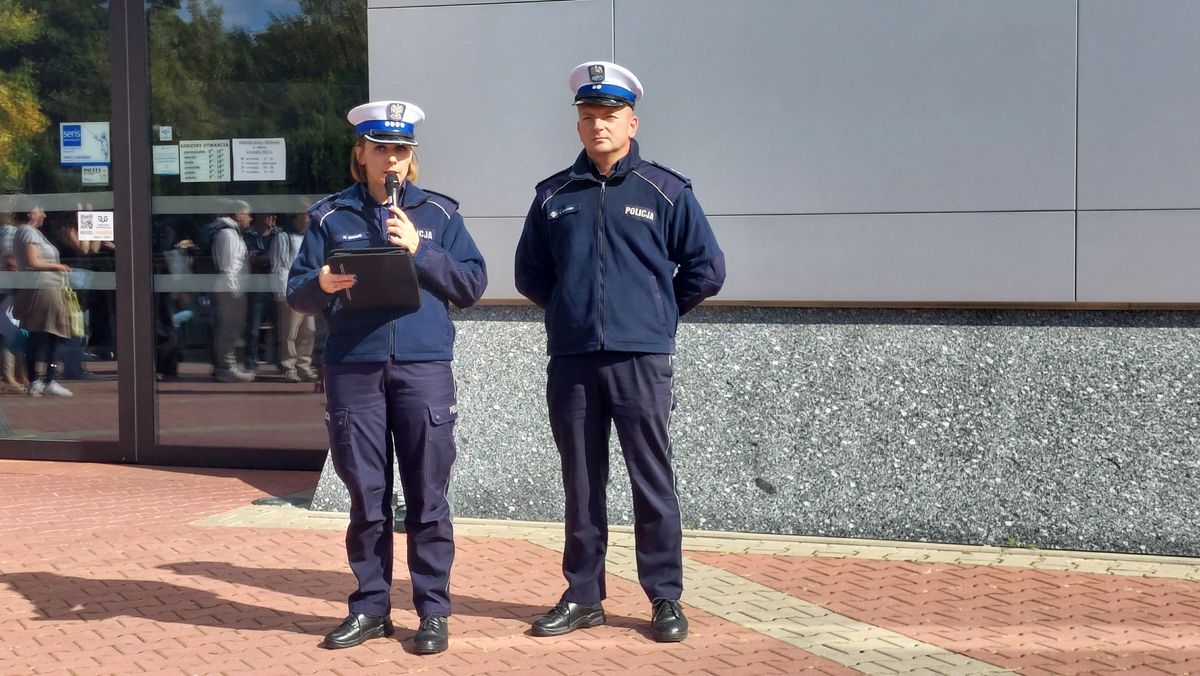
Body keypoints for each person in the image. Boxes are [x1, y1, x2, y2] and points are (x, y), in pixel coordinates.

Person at [515, 61, 726, 643]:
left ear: (632, 122)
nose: (598, 124)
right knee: (582, 483)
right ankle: (584, 596)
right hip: (574, 359)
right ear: (578, 125)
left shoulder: (666, 190)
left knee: (651, 479)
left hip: (641, 359)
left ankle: (664, 597)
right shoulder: (553, 195)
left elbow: (706, 269)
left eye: (610, 115)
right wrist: (570, 311)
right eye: (588, 116)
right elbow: (530, 273)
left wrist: (656, 314)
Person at [288, 100, 487, 654]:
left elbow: (471, 286)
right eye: (381, 149)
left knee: (428, 495)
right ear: (362, 154)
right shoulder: (330, 217)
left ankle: (433, 611)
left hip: (423, 371)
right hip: (354, 370)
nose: (392, 159)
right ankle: (371, 607)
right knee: (367, 496)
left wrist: (421, 251)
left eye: (401, 149)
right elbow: (297, 294)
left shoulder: (440, 215)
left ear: (410, 158)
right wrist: (321, 283)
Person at [11, 206, 75, 397]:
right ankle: (45, 380)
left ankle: (39, 380)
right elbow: (34, 261)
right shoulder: (28, 232)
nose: (44, 215)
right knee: (49, 333)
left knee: (43, 333)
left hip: (45, 287)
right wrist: (59, 267)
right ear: (30, 213)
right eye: (40, 211)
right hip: (44, 288)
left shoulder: (30, 232)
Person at [210, 200, 254, 383]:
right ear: (238, 215)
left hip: (233, 288)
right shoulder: (228, 235)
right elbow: (227, 267)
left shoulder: (232, 234)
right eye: (248, 214)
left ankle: (225, 365)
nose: (250, 219)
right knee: (229, 328)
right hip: (231, 290)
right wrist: (234, 292)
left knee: (230, 328)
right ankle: (226, 367)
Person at [270, 210, 316, 383]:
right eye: (306, 214)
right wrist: (284, 292)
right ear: (296, 216)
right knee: (289, 332)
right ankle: (288, 366)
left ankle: (303, 365)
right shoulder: (283, 237)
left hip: (308, 291)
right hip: (292, 291)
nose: (309, 218)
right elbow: (279, 266)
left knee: (308, 330)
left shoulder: (310, 237)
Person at [243, 212, 279, 374]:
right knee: (253, 327)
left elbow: (277, 258)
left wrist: (261, 258)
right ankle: (251, 362)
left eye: (274, 216)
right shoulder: (248, 236)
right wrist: (264, 258)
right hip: (256, 285)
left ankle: (280, 361)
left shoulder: (279, 235)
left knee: (279, 326)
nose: (272, 219)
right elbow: (247, 257)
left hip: (273, 284)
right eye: (268, 216)